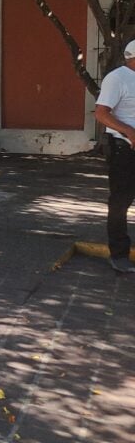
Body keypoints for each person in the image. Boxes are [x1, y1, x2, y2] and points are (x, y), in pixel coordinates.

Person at [94, 39, 135, 273]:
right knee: (121, 201)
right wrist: (128, 131)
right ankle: (119, 254)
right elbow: (101, 113)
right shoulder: (117, 78)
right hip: (123, 148)